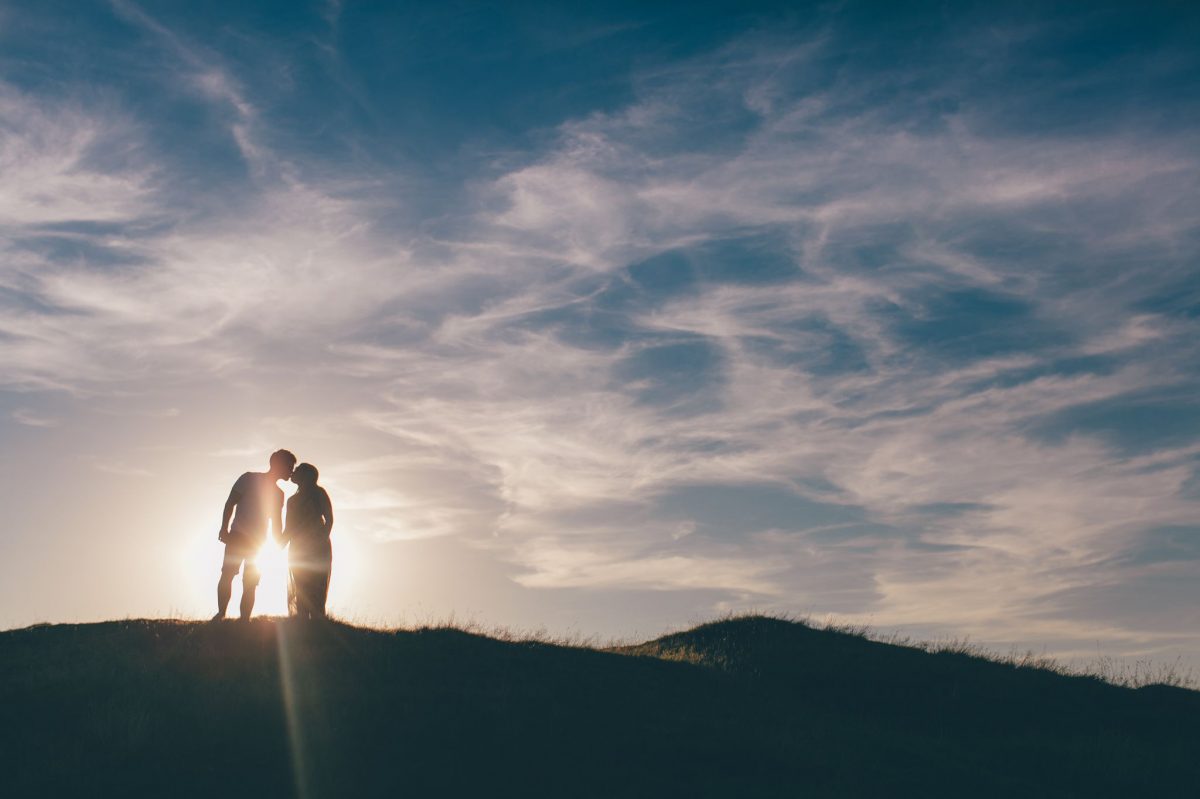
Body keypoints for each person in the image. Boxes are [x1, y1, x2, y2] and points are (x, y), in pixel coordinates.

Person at [214, 449, 297, 621]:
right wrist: (224, 528)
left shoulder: (279, 493)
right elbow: (230, 503)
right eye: (290, 466)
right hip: (238, 537)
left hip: (258, 544)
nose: (292, 470)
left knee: (250, 583)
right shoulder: (248, 478)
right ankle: (221, 614)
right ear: (278, 464)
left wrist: (278, 542)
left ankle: (244, 620)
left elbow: (275, 522)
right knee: (228, 575)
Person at [283, 462, 334, 619]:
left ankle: (317, 621)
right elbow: (289, 528)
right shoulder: (291, 501)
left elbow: (329, 519)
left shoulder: (319, 493)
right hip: (298, 548)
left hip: (318, 547)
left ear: (306, 475)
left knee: (317, 585)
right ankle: (303, 622)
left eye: (297, 470)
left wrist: (321, 539)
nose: (293, 472)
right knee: (301, 587)